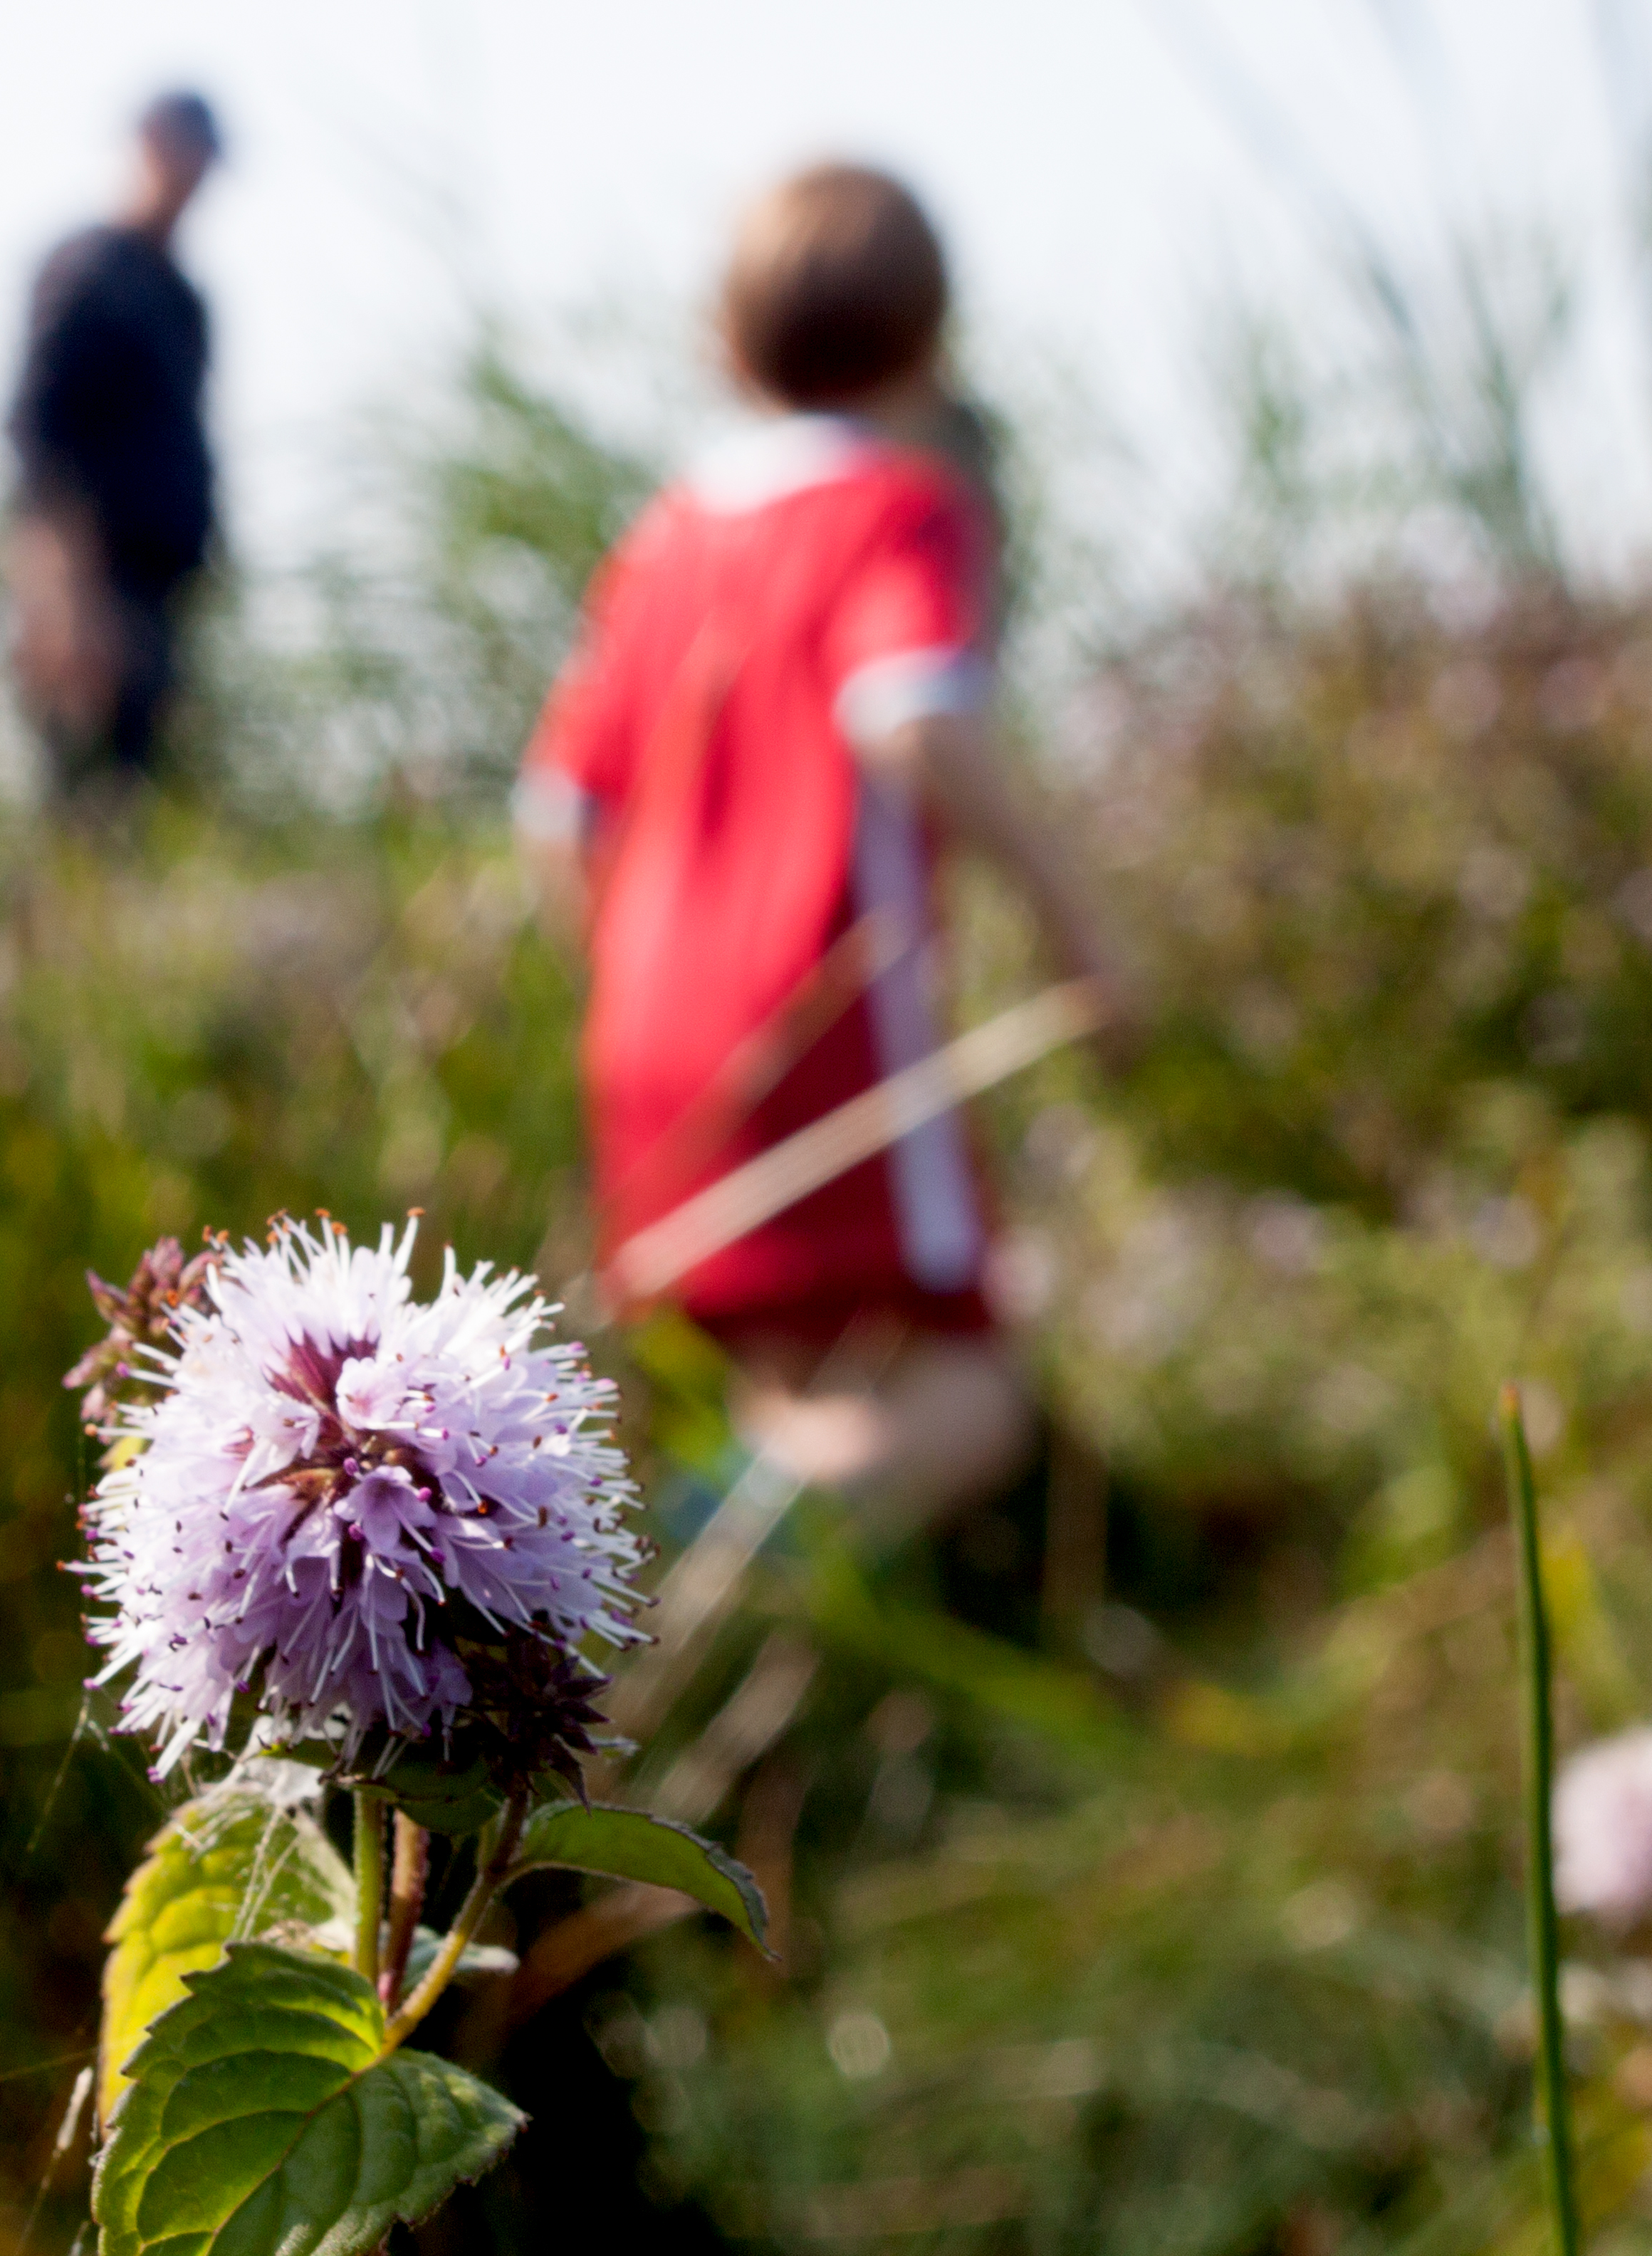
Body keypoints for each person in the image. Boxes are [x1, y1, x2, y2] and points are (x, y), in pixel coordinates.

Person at [515, 162, 1132, 1534]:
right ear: (930, 340)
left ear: (726, 345)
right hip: (827, 1026)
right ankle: (662, 1565)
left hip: (650, 1037)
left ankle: (740, 1643)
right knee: (971, 1389)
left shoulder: (666, 535)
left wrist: (626, 979)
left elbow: (557, 810)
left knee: (791, 1371)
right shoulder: (896, 507)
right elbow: (914, 714)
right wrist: (1083, 932)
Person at [6, 90, 224, 795]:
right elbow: (42, 437)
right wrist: (66, 598)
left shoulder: (183, 300)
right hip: (90, 583)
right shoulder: (87, 273)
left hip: (160, 593)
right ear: (150, 143)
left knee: (140, 794)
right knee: (80, 795)